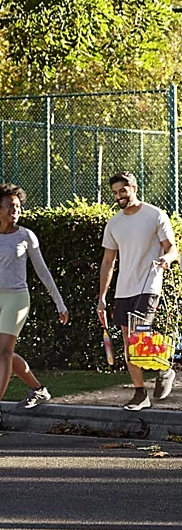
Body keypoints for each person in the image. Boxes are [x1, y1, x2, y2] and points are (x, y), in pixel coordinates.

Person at [0, 184, 69, 432]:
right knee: (2, 353)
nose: (14, 210)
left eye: (17, 206)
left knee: (5, 352)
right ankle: (39, 390)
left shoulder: (26, 236)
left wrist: (59, 303)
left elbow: (43, 272)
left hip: (17, 299)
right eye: (9, 206)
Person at [97, 171, 178, 410]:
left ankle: (163, 368)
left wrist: (166, 260)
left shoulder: (155, 215)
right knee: (127, 341)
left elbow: (172, 249)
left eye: (123, 190)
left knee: (138, 336)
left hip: (149, 285)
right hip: (124, 290)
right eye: (114, 192)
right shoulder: (114, 223)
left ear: (134, 188)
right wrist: (102, 297)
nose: (119, 196)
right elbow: (108, 262)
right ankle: (141, 392)